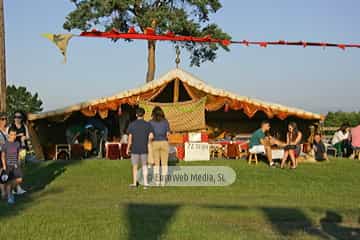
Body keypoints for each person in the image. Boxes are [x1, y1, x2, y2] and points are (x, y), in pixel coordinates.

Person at [126, 108, 154, 189]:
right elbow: (152, 136)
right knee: (144, 166)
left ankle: (134, 184)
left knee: (135, 167)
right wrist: (147, 141)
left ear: (136, 115)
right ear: (144, 114)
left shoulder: (132, 124)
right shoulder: (148, 124)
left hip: (134, 149)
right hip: (144, 148)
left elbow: (130, 139)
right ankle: (145, 184)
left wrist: (128, 148)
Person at [7, 111, 27, 194]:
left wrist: (24, 137)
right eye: (16, 117)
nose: (17, 118)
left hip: (22, 148)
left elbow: (26, 136)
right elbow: (10, 138)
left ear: (21, 118)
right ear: (14, 118)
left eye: (19, 117)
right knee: (16, 169)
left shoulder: (23, 126)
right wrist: (19, 135)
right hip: (14, 150)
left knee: (21, 167)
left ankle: (16, 187)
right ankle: (16, 188)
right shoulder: (11, 127)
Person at [149, 106, 170, 186]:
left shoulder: (150, 122)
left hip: (155, 143)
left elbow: (150, 135)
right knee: (164, 164)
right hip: (164, 143)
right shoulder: (165, 122)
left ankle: (157, 182)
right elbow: (168, 134)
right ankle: (163, 182)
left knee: (156, 164)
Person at [1, 127, 23, 204]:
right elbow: (3, 156)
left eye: (15, 135)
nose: (13, 136)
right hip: (8, 165)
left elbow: (18, 155)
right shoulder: (5, 144)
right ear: (9, 135)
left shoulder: (17, 144)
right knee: (9, 182)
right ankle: (10, 196)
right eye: (12, 135)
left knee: (19, 179)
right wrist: (4, 166)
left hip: (16, 165)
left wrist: (19, 162)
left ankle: (10, 191)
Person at [0, 112, 8, 199]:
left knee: (7, 172)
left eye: (5, 119)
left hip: (8, 153)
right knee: (2, 172)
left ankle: (6, 190)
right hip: (1, 153)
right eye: (2, 119)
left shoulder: (7, 130)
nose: (4, 121)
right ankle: (3, 192)